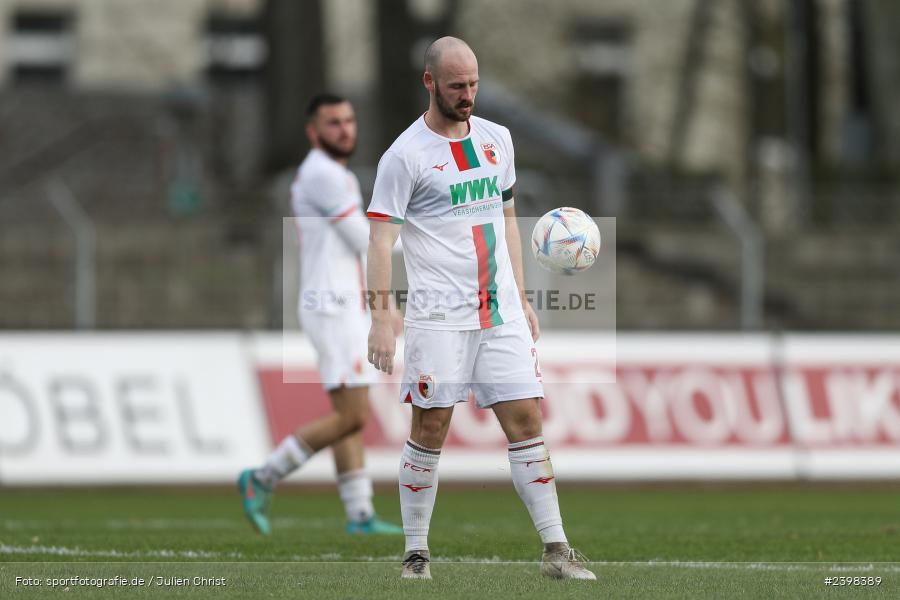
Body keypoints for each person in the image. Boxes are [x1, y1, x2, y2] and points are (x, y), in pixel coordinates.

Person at [365, 38, 596, 580]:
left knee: (526, 420)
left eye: (472, 85)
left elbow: (506, 216)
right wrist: (380, 314)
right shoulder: (404, 156)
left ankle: (556, 551)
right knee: (431, 427)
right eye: (456, 87)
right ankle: (416, 554)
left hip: (501, 313)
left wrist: (521, 294)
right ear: (430, 83)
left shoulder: (498, 139)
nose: (467, 95)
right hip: (441, 317)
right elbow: (379, 242)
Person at [239, 93, 402, 537]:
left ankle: (360, 513)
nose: (345, 129)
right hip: (331, 306)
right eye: (333, 123)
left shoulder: (335, 175)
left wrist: (381, 307)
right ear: (313, 132)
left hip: (340, 303)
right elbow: (365, 241)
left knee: (348, 411)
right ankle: (263, 478)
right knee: (352, 415)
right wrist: (428, 239)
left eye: (349, 120)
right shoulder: (323, 175)